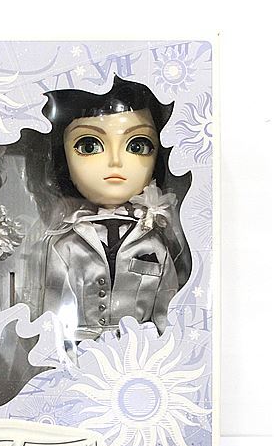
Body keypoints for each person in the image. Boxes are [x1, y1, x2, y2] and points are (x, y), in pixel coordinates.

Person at [19, 76, 192, 341]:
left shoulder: (154, 244)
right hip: (80, 350)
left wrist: (167, 348)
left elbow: (166, 310)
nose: (115, 162)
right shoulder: (66, 245)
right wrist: (57, 351)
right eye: (89, 146)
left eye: (137, 146)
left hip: (139, 352)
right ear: (63, 159)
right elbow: (53, 311)